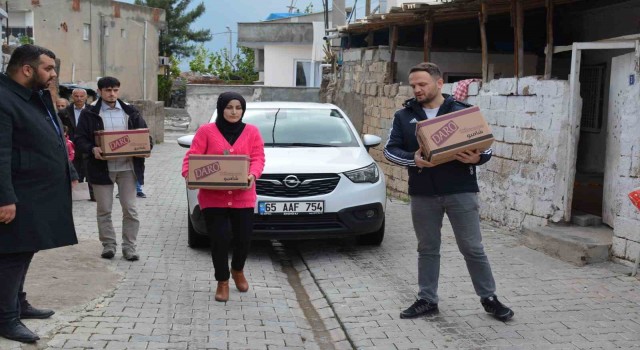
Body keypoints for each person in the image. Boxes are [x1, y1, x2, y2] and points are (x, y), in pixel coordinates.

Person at [383, 62, 514, 321]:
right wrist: (414, 159)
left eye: (422, 84)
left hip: (460, 191)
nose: (417, 90)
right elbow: (390, 150)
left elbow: (485, 148)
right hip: (422, 193)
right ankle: (427, 300)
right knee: (427, 248)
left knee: (472, 248)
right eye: (414, 86)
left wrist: (474, 159)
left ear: (439, 83)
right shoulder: (404, 116)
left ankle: (489, 298)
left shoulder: (461, 112)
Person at [0, 44, 78, 343]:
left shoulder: (35, 96)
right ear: (27, 69)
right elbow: (1, 152)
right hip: (17, 194)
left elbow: (57, 134)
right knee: (10, 254)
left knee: (26, 248)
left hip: (36, 192)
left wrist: (68, 171)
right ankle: (6, 318)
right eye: (48, 68)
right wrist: (4, 198)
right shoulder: (4, 98)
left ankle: (17, 302)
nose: (54, 74)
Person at [181, 92, 265, 302]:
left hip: (242, 196)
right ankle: (223, 281)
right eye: (229, 107)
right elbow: (192, 157)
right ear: (221, 109)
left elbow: (258, 157)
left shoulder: (252, 132)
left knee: (243, 239)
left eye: (238, 107)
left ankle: (238, 269)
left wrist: (253, 174)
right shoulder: (206, 131)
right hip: (213, 198)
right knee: (219, 240)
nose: (234, 112)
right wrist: (188, 175)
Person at [75, 76, 149, 261]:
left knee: (130, 209)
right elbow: (79, 139)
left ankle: (129, 247)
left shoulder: (130, 112)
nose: (112, 93)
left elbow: (145, 137)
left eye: (115, 90)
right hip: (102, 168)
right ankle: (108, 245)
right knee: (104, 209)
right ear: (100, 91)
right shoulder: (90, 113)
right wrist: (92, 148)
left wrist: (146, 149)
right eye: (108, 90)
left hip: (127, 168)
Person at [60, 88, 94, 201]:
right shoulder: (64, 112)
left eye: (81, 96)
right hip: (71, 146)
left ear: (86, 97)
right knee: (74, 171)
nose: (79, 98)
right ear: (72, 97)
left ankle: (93, 194)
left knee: (90, 171)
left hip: (88, 146)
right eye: (76, 96)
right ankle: (75, 195)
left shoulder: (93, 111)